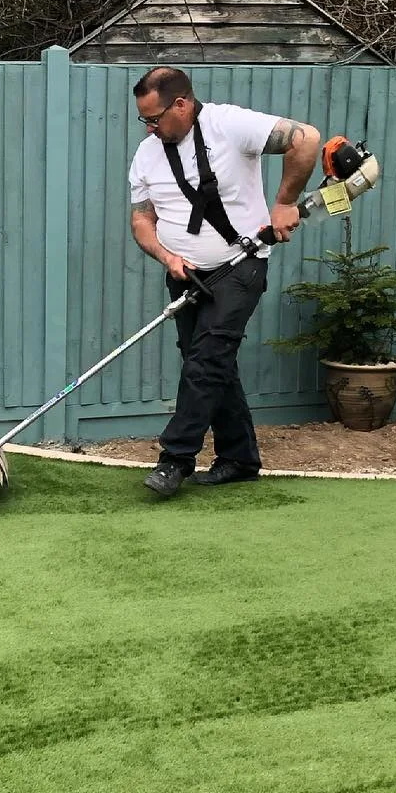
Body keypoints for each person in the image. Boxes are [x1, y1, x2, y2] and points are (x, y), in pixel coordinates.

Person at [128, 66, 320, 497]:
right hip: (186, 275)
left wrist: (285, 202)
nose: (150, 127)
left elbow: (305, 138)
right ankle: (239, 459)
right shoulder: (147, 153)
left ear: (181, 104)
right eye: (144, 120)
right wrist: (166, 255)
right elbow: (142, 218)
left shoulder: (229, 125)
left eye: (155, 118)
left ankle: (175, 458)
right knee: (211, 363)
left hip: (241, 265)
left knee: (206, 359)